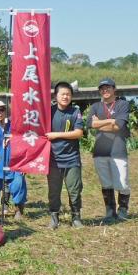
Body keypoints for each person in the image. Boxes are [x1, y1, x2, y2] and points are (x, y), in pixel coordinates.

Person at [87, 78, 131, 221]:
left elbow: (119, 126)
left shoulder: (122, 104)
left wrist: (99, 123)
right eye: (102, 88)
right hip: (100, 150)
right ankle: (110, 210)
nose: (105, 91)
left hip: (118, 149)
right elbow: (90, 125)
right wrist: (110, 121)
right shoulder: (95, 106)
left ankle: (123, 209)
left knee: (122, 182)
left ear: (114, 89)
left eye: (108, 88)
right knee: (106, 182)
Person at [46, 82, 84, 229]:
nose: (65, 96)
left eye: (68, 94)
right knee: (53, 190)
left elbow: (78, 133)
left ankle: (76, 216)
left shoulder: (75, 112)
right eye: (62, 94)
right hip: (53, 159)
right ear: (56, 96)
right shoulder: (49, 112)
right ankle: (54, 217)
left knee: (75, 189)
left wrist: (56, 135)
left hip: (72, 158)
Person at [0, 101, 27, 220]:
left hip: (15, 164)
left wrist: (24, 165)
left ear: (6, 111)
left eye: (1, 110)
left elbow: (24, 144)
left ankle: (19, 208)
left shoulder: (15, 126)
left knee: (19, 184)